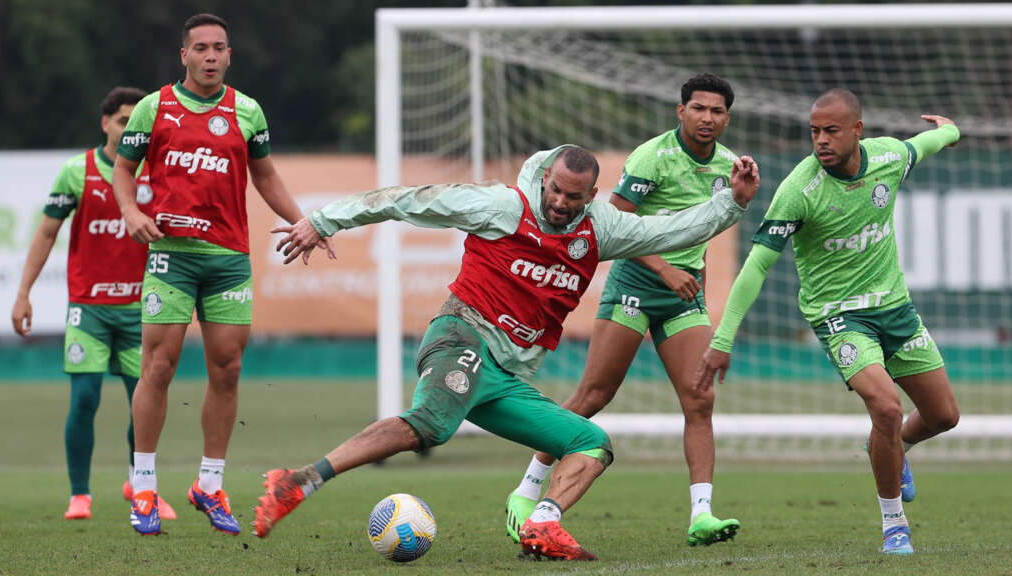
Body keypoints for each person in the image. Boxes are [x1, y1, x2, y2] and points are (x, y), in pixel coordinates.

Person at [252, 144, 759, 560]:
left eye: (573, 196)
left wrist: (731, 204)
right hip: (462, 336)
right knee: (431, 425)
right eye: (555, 189)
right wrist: (325, 221)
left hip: (503, 377)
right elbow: (405, 200)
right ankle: (298, 481)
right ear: (545, 180)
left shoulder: (601, 227)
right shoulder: (501, 207)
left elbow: (669, 231)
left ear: (592, 196)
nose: (560, 202)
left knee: (591, 443)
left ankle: (543, 522)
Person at [694, 89, 960, 555]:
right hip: (839, 317)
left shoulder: (888, 158)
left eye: (831, 131)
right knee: (886, 407)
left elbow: (926, 143)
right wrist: (723, 337)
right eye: (815, 131)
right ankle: (894, 525)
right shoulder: (800, 188)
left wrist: (950, 130)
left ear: (857, 130)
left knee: (943, 416)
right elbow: (756, 266)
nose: (821, 140)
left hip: (895, 308)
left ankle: (888, 447)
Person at [504, 73, 742, 547]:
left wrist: (692, 273)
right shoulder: (652, 156)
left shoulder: (729, 166)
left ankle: (702, 515)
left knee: (700, 399)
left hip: (682, 295)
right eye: (698, 108)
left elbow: (706, 229)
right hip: (635, 284)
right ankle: (526, 491)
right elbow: (613, 224)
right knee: (594, 395)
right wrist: (665, 270)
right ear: (681, 111)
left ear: (727, 119)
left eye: (717, 111)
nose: (707, 117)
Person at [114, 14, 313, 536]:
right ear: (184, 55)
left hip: (228, 260)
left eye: (218, 48)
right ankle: (144, 486)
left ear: (229, 55)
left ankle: (209, 484)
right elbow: (123, 169)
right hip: (171, 256)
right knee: (159, 367)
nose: (209, 56)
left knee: (227, 369)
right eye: (200, 47)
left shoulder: (247, 111)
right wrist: (131, 212)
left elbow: (265, 174)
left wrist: (304, 222)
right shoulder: (154, 108)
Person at [10, 86, 177, 522]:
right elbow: (47, 233)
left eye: (137, 122)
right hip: (89, 309)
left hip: (142, 309)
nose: (129, 129)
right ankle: (80, 495)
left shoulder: (157, 171)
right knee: (85, 398)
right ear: (105, 123)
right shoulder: (76, 172)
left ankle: (139, 485)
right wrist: (24, 293)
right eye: (122, 121)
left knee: (145, 401)